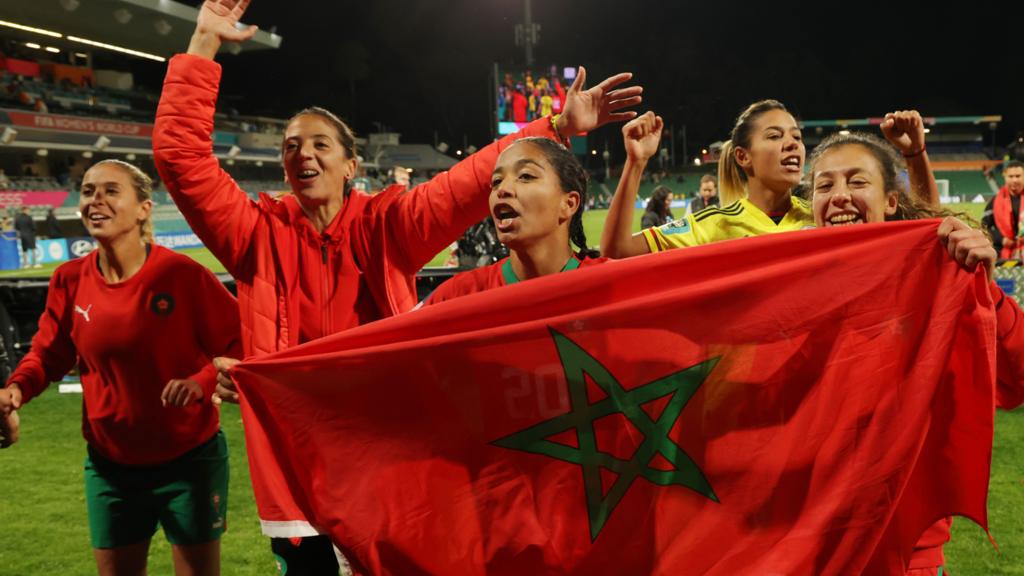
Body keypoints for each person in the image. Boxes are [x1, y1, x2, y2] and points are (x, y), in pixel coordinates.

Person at [152, 1, 643, 572]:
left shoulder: (391, 227)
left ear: (351, 164)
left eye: (318, 144)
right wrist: (204, 45)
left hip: (390, 459)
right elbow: (179, 157)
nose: (301, 153)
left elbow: (465, 183)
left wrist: (554, 127)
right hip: (297, 469)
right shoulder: (252, 235)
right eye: (290, 145)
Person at [0, 159, 242, 576]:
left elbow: (239, 341)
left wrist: (203, 382)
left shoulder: (182, 274)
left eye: (111, 190)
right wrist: (17, 389)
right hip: (109, 468)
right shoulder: (69, 279)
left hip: (188, 463)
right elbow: (49, 354)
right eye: (89, 190)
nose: (96, 199)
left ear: (144, 208)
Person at [806, 130, 1024, 575]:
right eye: (824, 185)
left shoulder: (938, 276)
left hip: (908, 558)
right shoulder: (789, 289)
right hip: (807, 551)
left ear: (890, 200)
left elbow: (1017, 377)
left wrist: (986, 292)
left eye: (857, 181)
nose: (840, 196)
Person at [423, 136, 604, 305]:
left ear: (568, 204)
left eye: (526, 176)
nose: (502, 189)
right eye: (496, 181)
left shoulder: (609, 286)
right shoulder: (456, 297)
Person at [981, 160, 1024, 259]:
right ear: (1005, 177)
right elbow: (984, 226)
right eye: (1011, 176)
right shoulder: (995, 201)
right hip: (1002, 251)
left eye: (1018, 176)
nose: (1014, 180)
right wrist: (1001, 239)